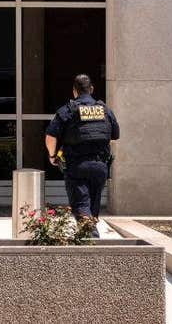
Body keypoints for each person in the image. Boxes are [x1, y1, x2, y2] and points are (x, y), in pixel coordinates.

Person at [45, 74, 119, 235]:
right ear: (91, 89)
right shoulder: (105, 109)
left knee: (82, 208)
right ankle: (88, 241)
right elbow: (115, 135)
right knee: (92, 208)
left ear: (74, 91)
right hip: (100, 167)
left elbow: (50, 137)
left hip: (77, 167)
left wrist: (52, 156)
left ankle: (92, 244)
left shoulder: (68, 110)